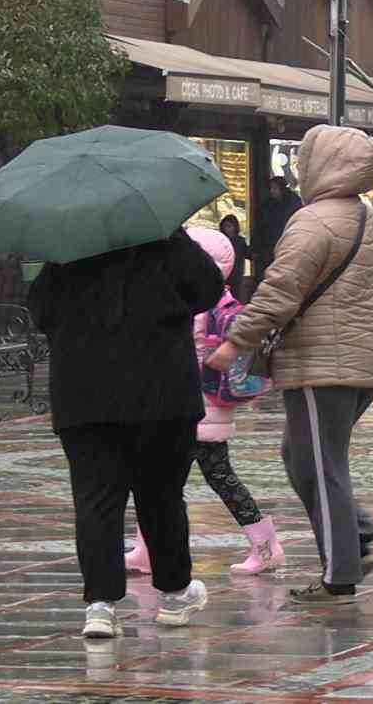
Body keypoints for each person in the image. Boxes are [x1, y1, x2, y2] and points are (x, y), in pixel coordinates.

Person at [209, 125, 373, 605]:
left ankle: (341, 573)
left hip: (324, 364)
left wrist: (235, 344)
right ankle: (355, 533)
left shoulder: (311, 222)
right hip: (357, 362)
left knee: (320, 463)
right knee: (301, 457)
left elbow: (279, 291)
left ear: (323, 165)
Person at [28, 229, 222, 639]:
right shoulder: (164, 237)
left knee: (96, 500)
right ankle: (175, 593)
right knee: (162, 496)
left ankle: (100, 606)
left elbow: (41, 312)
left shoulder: (68, 247)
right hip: (162, 394)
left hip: (85, 398)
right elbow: (208, 288)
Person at [125, 227, 284, 578]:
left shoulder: (190, 303)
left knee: (168, 480)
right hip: (206, 407)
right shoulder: (216, 297)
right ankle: (148, 550)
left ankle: (265, 547)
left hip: (188, 406)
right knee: (182, 479)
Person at [250, 176, 302, 284]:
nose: (272, 191)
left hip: (288, 246)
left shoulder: (294, 203)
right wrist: (255, 248)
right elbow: (259, 228)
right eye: (271, 188)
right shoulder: (267, 206)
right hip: (268, 249)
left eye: (274, 188)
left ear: (282, 189)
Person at [218, 214, 252, 301]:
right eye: (225, 226)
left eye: (229, 226)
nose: (227, 229)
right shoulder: (220, 240)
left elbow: (248, 254)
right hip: (223, 275)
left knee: (235, 298)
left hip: (236, 276)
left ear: (235, 227)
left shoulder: (240, 241)